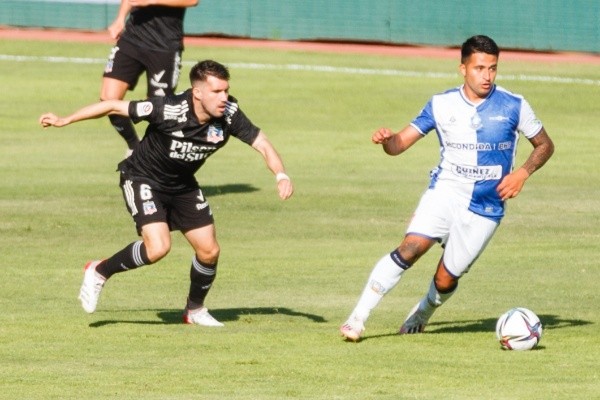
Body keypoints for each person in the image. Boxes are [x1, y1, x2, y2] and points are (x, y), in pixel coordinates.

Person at [39, 60, 294, 327]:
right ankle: (99, 271)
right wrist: (65, 119)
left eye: (226, 90)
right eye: (216, 91)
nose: (224, 98)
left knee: (209, 251)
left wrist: (281, 175)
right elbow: (113, 105)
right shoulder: (168, 109)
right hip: (142, 178)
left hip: (182, 184)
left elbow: (262, 143)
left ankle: (194, 310)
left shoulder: (230, 113)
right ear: (197, 92)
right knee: (158, 248)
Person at [340, 35, 554, 341]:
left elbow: (545, 145)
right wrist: (388, 140)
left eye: (492, 68)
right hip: (446, 192)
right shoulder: (441, 104)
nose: (487, 76)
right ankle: (357, 319)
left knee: (445, 279)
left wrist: (522, 173)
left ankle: (423, 311)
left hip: (487, 206)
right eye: (479, 68)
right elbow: (399, 145)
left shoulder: (514, 105)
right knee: (410, 248)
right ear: (463, 68)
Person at [102, 0, 199, 156]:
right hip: (132, 38)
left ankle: (160, 156)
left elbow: (192, 1)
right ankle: (134, 147)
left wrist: (151, 1)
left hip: (164, 46)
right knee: (108, 97)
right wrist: (120, 19)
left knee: (159, 109)